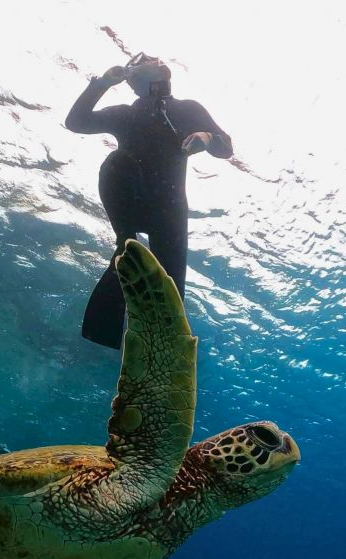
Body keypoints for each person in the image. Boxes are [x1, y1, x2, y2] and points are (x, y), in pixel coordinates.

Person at [66, 53, 233, 349]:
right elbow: (76, 122)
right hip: (131, 198)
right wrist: (102, 83)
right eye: (145, 58)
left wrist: (206, 138)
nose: (155, 58)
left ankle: (159, 344)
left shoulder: (187, 109)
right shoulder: (125, 114)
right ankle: (126, 244)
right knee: (116, 161)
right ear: (132, 77)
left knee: (169, 296)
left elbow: (226, 147)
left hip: (169, 210)